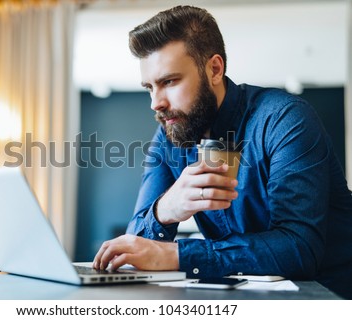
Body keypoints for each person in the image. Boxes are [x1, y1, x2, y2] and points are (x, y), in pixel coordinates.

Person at [92, 5, 352, 299]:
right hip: (243, 300)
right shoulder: (168, 137)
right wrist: (165, 209)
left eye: (169, 82)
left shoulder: (285, 119)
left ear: (214, 69)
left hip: (327, 301)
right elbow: (135, 246)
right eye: (149, 87)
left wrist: (177, 255)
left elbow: (299, 248)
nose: (156, 102)